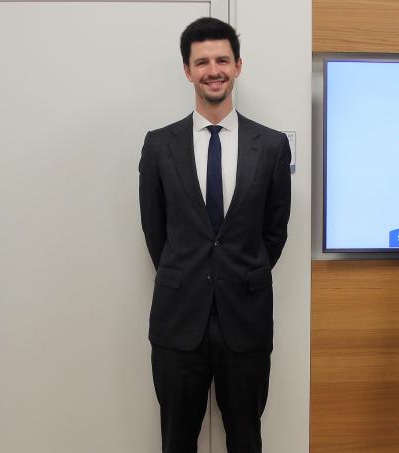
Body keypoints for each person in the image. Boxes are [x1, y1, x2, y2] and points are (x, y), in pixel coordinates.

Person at [138, 16, 291, 453]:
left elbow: (274, 232)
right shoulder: (158, 145)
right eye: (202, 61)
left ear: (238, 66)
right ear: (187, 71)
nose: (213, 69)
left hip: (246, 320)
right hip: (177, 321)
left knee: (246, 439)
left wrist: (238, 272)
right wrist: (190, 272)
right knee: (176, 442)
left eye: (222, 59)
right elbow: (155, 231)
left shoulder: (272, 145)